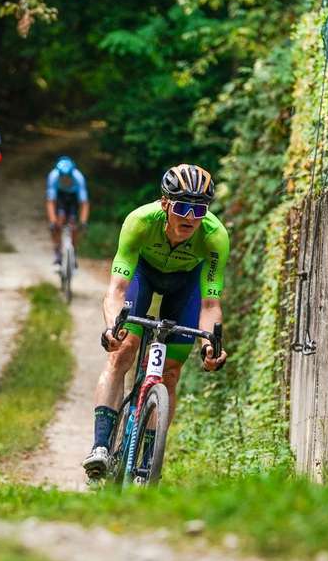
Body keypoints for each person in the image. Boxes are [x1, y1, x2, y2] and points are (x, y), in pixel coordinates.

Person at [83, 164, 230, 479]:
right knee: (123, 350)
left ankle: (147, 461)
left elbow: (210, 303)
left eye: (199, 209)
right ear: (165, 204)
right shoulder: (139, 222)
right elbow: (117, 290)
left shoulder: (215, 237)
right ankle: (100, 448)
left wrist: (210, 345)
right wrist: (113, 326)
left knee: (171, 374)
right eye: (182, 207)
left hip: (186, 286)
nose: (190, 217)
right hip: (143, 275)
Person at [46, 156, 89, 267]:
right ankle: (57, 253)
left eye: (68, 177)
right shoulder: (53, 176)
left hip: (73, 197)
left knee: (73, 224)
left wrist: (83, 221)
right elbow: (50, 201)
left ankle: (73, 253)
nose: (65, 179)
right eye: (63, 177)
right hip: (60, 196)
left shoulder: (78, 177)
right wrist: (52, 221)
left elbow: (84, 203)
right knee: (58, 220)